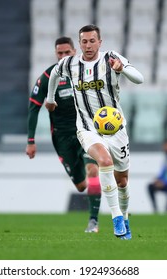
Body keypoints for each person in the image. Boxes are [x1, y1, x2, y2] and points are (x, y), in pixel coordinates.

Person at [45, 25, 144, 240]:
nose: (88, 45)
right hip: (87, 129)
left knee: (122, 182)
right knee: (104, 162)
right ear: (79, 44)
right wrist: (50, 99)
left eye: (92, 41)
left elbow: (139, 78)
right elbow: (53, 74)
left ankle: (125, 216)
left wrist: (122, 69)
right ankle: (116, 219)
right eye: (84, 41)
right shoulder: (70, 64)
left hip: (116, 129)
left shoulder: (111, 58)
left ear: (100, 42)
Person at [26, 36, 102, 233]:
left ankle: (93, 221)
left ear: (74, 52)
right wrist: (31, 141)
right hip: (61, 138)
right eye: (59, 53)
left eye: (66, 52)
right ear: (55, 54)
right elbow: (34, 108)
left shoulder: (86, 73)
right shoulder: (48, 76)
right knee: (80, 185)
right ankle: (89, 186)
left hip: (86, 131)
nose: (63, 56)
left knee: (93, 171)